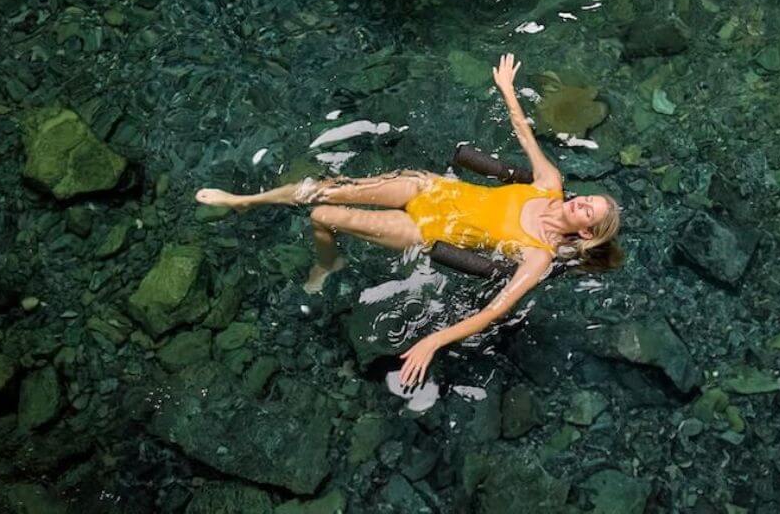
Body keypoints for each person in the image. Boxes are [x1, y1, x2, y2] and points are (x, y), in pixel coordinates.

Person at [194, 53, 622, 387]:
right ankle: (246, 200)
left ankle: (328, 262)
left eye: (588, 211)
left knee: (322, 216)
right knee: (321, 189)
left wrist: (433, 341)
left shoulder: (538, 255)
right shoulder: (549, 183)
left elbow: (495, 310)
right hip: (428, 188)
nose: (580, 202)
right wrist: (508, 89)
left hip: (424, 230)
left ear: (585, 231)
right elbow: (525, 135)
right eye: (587, 198)